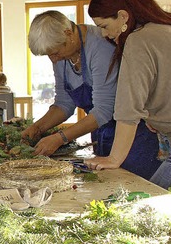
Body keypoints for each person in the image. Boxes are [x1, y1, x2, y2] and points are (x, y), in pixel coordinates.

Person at [22, 10, 161, 180]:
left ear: (68, 34)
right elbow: (64, 104)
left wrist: (60, 138)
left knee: (134, 189)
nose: (53, 59)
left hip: (133, 136)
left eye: (55, 52)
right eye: (49, 55)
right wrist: (38, 127)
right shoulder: (61, 58)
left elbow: (103, 110)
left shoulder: (100, 46)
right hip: (100, 132)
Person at [84, 0, 171, 189]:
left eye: (104, 26)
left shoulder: (138, 40)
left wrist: (114, 158)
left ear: (123, 16)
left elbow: (128, 107)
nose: (105, 35)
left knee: (150, 205)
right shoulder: (165, 28)